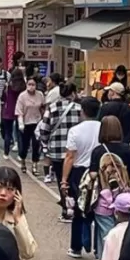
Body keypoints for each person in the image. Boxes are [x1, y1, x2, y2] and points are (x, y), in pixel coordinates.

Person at [89, 115, 130, 260]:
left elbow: (92, 174)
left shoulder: (98, 151)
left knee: (105, 230)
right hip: (125, 197)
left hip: (104, 198)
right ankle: (120, 258)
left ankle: (104, 259)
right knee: (124, 228)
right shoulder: (128, 149)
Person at [62, 97, 101, 259]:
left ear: (82, 111)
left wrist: (64, 179)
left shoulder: (75, 130)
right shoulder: (103, 128)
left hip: (79, 173)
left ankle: (76, 247)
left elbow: (70, 156)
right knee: (99, 210)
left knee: (78, 210)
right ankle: (99, 250)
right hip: (98, 172)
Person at [37, 82, 82, 214]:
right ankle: (74, 205)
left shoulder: (52, 107)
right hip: (75, 152)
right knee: (74, 179)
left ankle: (65, 207)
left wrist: (46, 145)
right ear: (73, 93)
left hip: (57, 151)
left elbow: (44, 129)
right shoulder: (80, 108)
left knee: (61, 180)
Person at [15, 76, 46, 175]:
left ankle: (34, 166)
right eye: (29, 84)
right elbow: (19, 111)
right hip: (25, 123)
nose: (31, 87)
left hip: (37, 123)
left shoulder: (40, 95)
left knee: (36, 145)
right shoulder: (22, 96)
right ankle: (23, 162)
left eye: (33, 85)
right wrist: (20, 123)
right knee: (24, 146)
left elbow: (43, 107)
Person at [1, 71, 25, 156]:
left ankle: (6, 153)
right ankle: (20, 155)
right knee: (20, 134)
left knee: (8, 132)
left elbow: (3, 97)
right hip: (20, 110)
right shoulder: (23, 86)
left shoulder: (8, 85)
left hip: (8, 111)